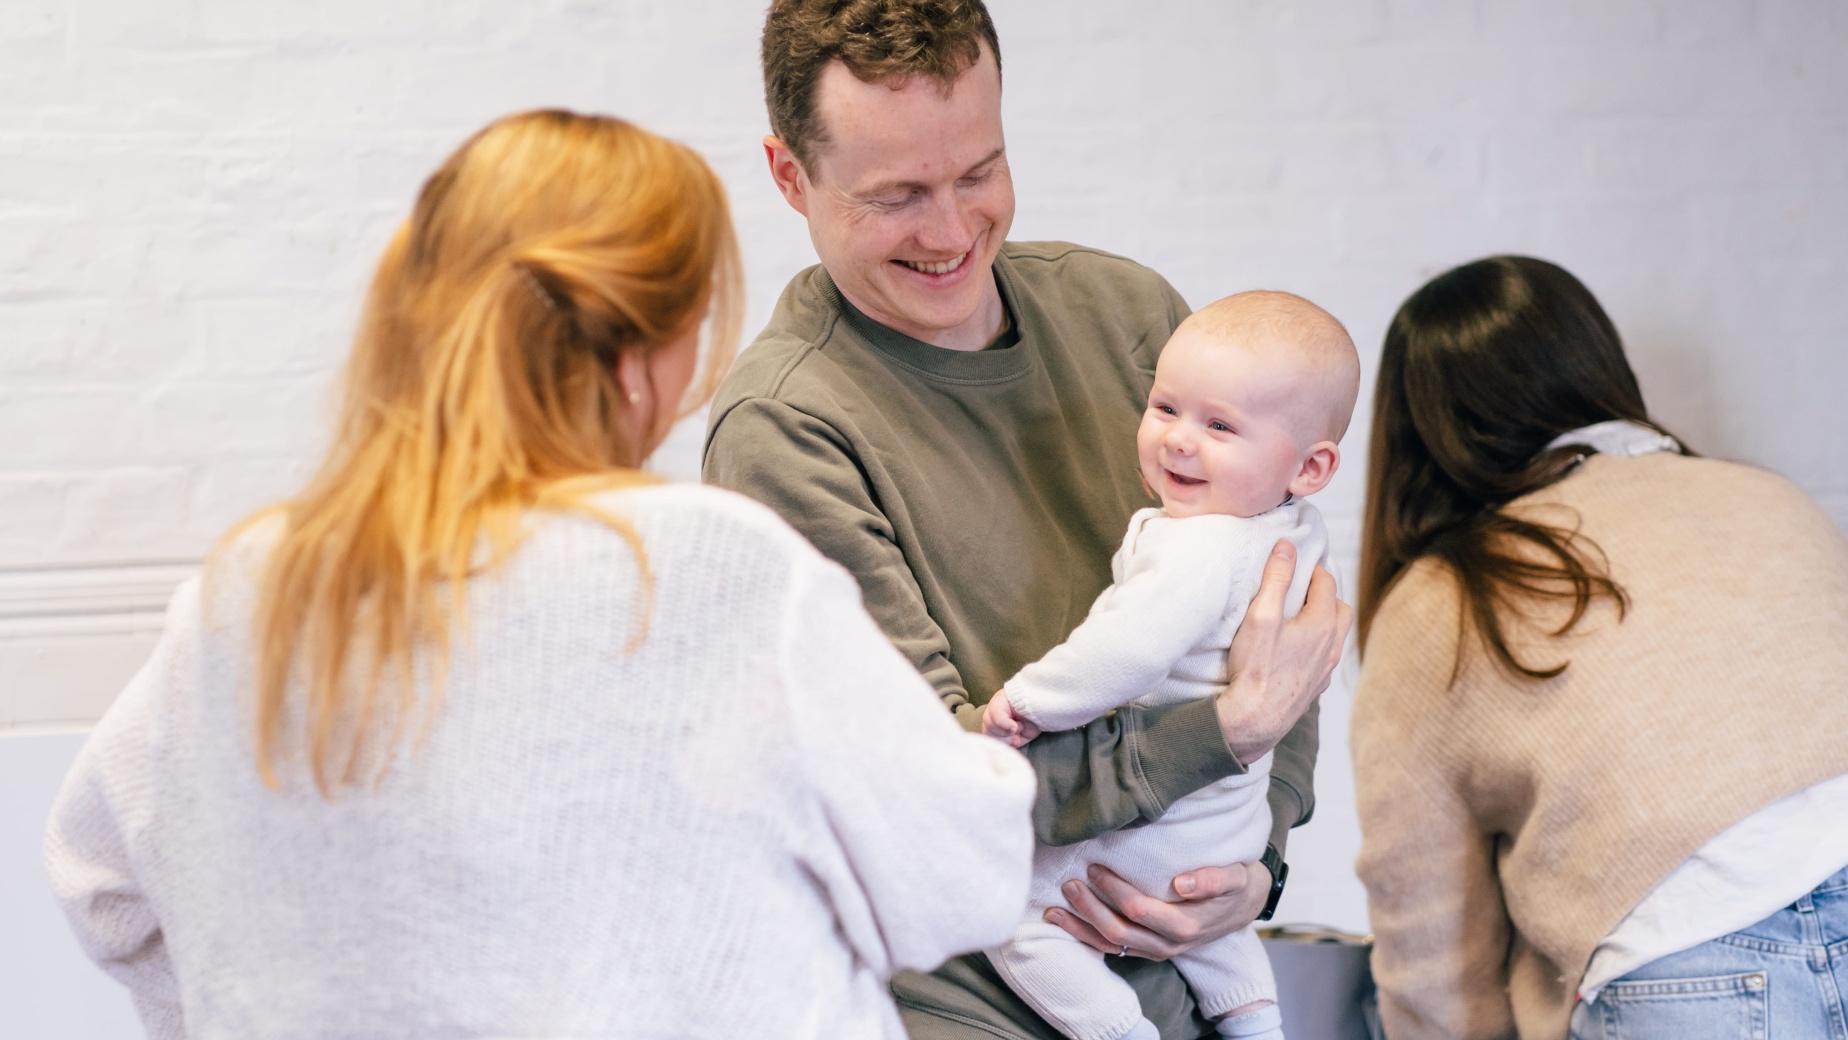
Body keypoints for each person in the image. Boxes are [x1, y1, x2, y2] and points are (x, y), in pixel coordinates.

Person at [42, 109, 1036, 1040]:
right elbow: (964, 872)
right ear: (646, 348)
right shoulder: (707, 567)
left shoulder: (252, 586)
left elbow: (101, 887)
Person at [705, 3, 1351, 1037]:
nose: (953, 231)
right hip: (967, 1007)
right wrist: (1222, 734)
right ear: (791, 177)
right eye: (898, 195)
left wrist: (1253, 864)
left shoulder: (1130, 314)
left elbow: (1273, 622)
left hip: (1184, 986)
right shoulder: (786, 431)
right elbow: (941, 791)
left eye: (978, 173)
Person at [1350, 255, 1848, 1040]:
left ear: (1422, 424)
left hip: (1689, 958)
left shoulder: (1446, 596)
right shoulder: (1767, 497)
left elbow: (1429, 926)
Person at [980, 292, 1360, 1040]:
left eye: (1220, 426)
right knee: (1218, 936)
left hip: (1162, 817)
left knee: (1013, 911)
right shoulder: (1292, 531)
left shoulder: (1201, 548)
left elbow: (1127, 648)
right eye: (1165, 408)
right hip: (1229, 828)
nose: (1179, 442)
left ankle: (1119, 1031)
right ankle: (1255, 1022)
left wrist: (1031, 702)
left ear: (1311, 465)